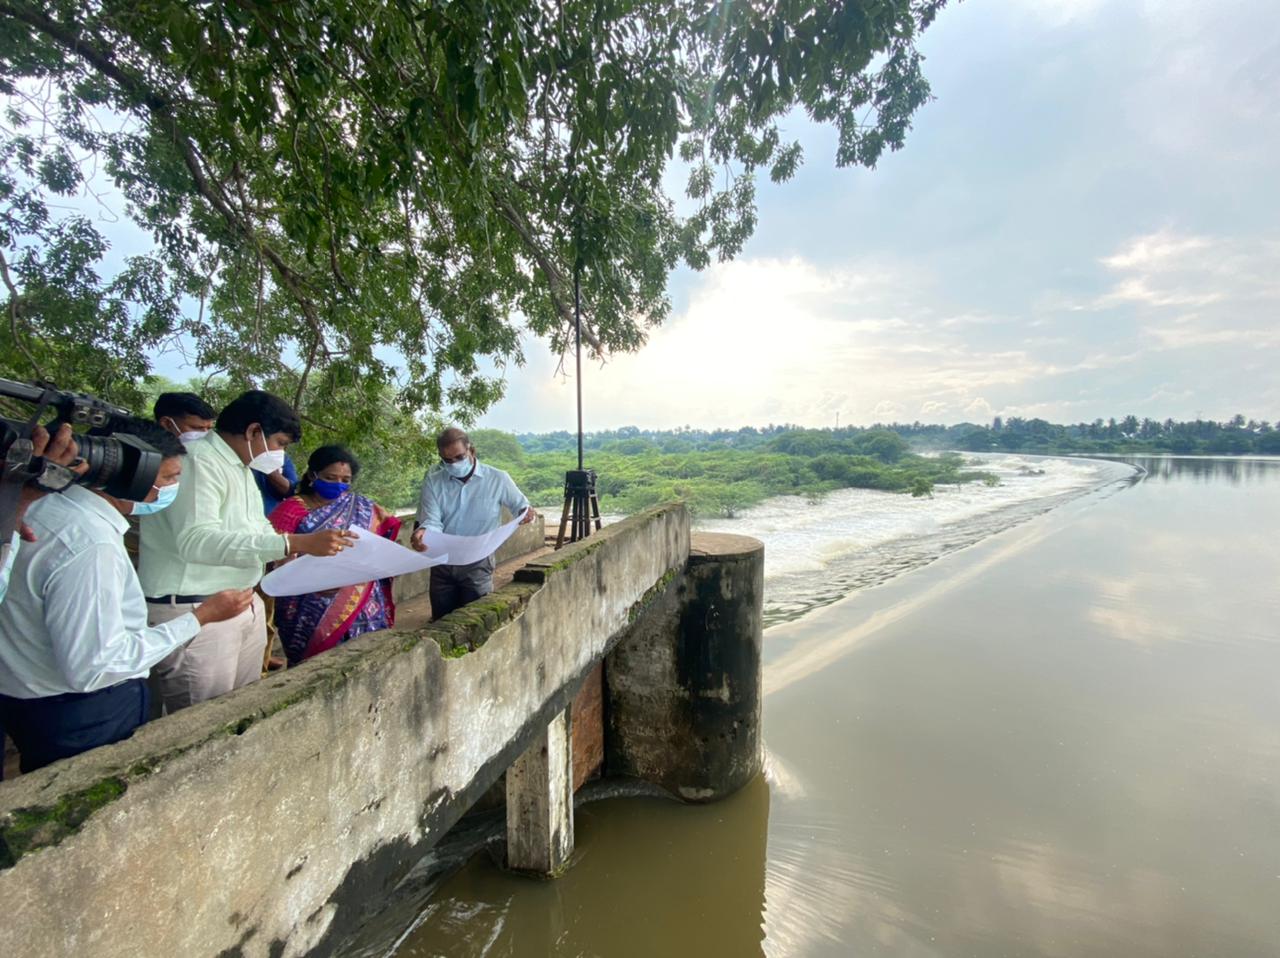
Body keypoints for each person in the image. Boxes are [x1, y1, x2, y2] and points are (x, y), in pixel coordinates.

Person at [0, 423, 254, 773]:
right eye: (168, 478)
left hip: (28, 699)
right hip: (82, 713)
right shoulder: (91, 546)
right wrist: (200, 618)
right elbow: (96, 666)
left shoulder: (36, 510)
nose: (172, 490)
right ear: (131, 473)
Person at [138, 390, 356, 712]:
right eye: (280, 443)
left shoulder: (239, 467)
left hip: (239, 601)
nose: (281, 454)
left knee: (240, 712)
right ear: (254, 432)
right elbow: (196, 540)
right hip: (196, 607)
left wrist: (285, 553)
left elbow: (257, 527)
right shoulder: (198, 460)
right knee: (202, 724)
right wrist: (292, 543)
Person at [268, 446, 403, 665]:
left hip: (361, 600)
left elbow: (387, 529)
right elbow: (273, 553)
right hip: (307, 601)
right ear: (313, 475)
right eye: (330, 478)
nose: (338, 484)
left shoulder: (361, 505)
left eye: (345, 480)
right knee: (315, 667)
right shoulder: (291, 510)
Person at [411, 427, 537, 620]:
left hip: (478, 560)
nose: (453, 464)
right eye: (447, 460)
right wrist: (425, 532)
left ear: (472, 451)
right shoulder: (434, 481)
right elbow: (432, 520)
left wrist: (525, 513)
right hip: (443, 561)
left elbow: (521, 507)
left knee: (477, 620)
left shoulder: (498, 479)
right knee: (441, 621)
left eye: (459, 457)